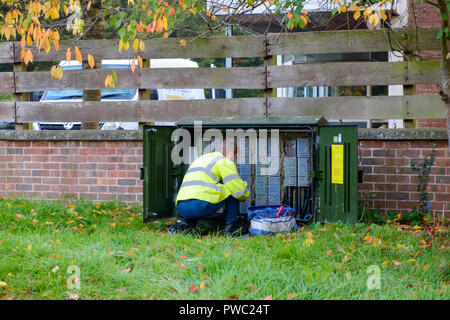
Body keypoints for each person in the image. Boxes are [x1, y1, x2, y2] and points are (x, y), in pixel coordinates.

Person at [171, 140, 249, 236]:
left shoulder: (201, 159)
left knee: (212, 188)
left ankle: (187, 224)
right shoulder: (224, 161)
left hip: (182, 207)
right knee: (232, 189)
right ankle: (231, 227)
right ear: (231, 153)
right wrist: (244, 196)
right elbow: (238, 191)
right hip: (200, 206)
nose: (234, 160)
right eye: (235, 157)